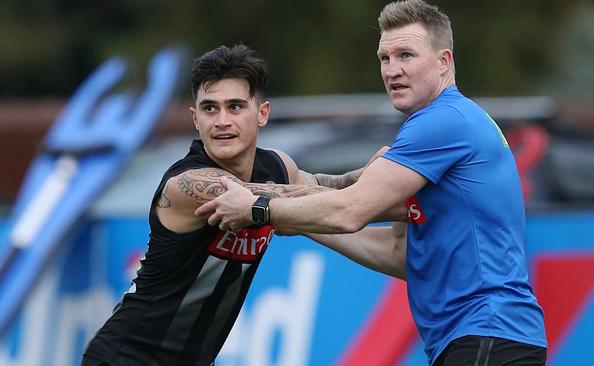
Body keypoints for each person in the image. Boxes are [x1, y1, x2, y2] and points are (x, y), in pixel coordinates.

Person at [196, 1, 548, 365]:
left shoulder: (441, 122)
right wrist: (288, 210)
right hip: (491, 338)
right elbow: (400, 254)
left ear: (444, 61)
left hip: (487, 333)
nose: (393, 70)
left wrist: (259, 209)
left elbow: (349, 210)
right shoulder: (449, 121)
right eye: (385, 58)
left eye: (406, 55)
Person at [82, 44, 401, 366]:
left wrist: (379, 174)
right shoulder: (188, 185)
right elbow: (326, 205)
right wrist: (381, 193)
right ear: (195, 118)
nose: (222, 120)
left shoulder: (278, 167)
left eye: (235, 107)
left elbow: (329, 187)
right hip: (125, 357)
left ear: (262, 113)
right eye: (210, 108)